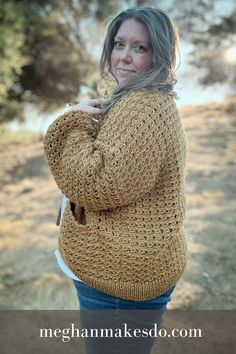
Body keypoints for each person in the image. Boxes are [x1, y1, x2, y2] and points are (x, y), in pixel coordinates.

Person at [43, 6, 188, 354]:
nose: (124, 56)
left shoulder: (145, 106)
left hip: (120, 281)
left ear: (160, 54)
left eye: (140, 48)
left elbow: (96, 184)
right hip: (122, 271)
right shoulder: (135, 100)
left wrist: (71, 120)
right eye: (119, 44)